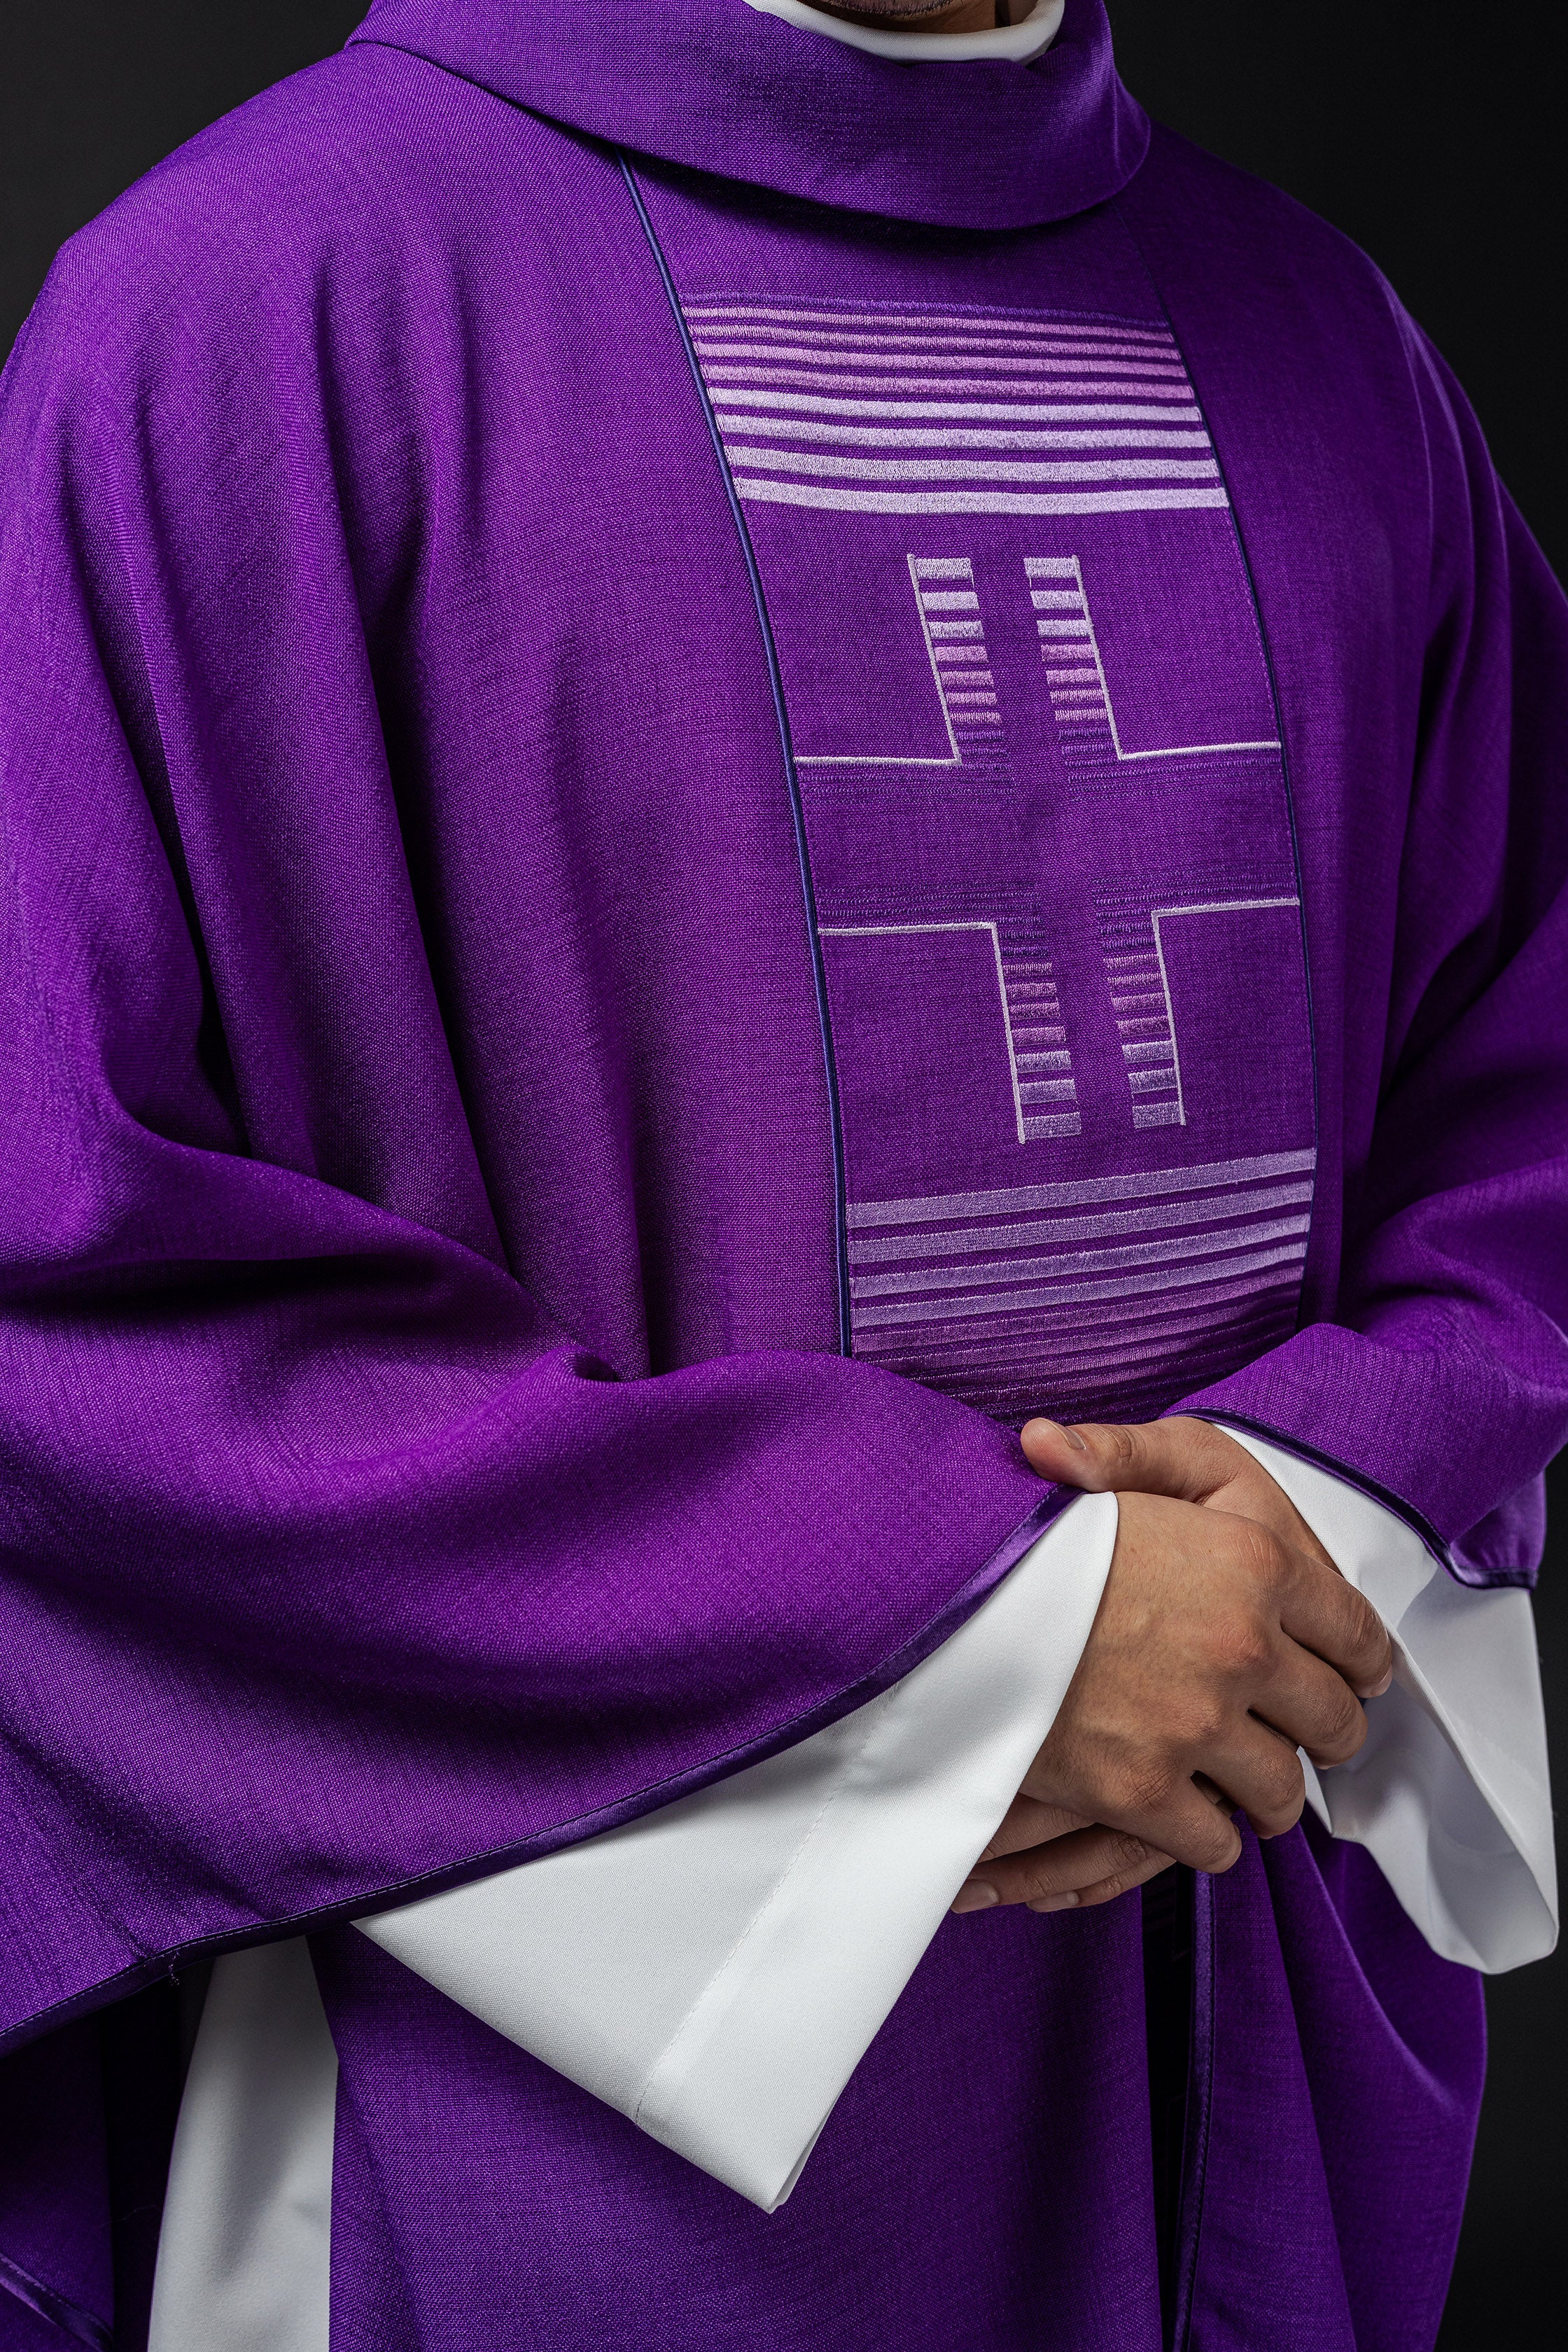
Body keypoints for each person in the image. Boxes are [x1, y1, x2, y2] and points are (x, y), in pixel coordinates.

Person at [0, 3, 1560, 2346]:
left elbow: (1523, 1052)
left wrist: (1306, 1515)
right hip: (528, 2080)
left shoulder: (1323, 344)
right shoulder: (241, 315)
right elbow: (60, 1273)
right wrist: (966, 1638)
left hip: (1236, 1965)